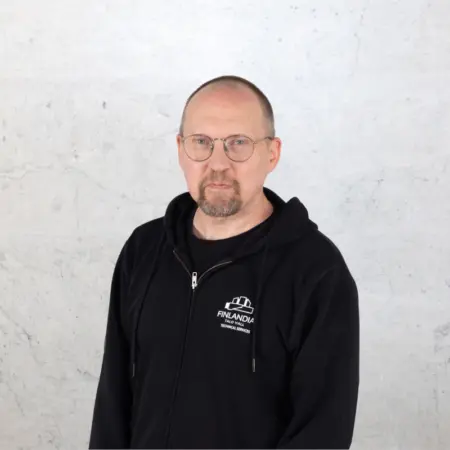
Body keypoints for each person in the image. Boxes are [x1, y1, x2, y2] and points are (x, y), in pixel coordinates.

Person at [88, 75, 360, 449]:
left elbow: (322, 433)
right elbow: (113, 401)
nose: (218, 163)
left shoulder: (316, 272)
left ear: (272, 153)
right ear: (181, 149)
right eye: (202, 142)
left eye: (238, 143)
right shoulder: (144, 249)